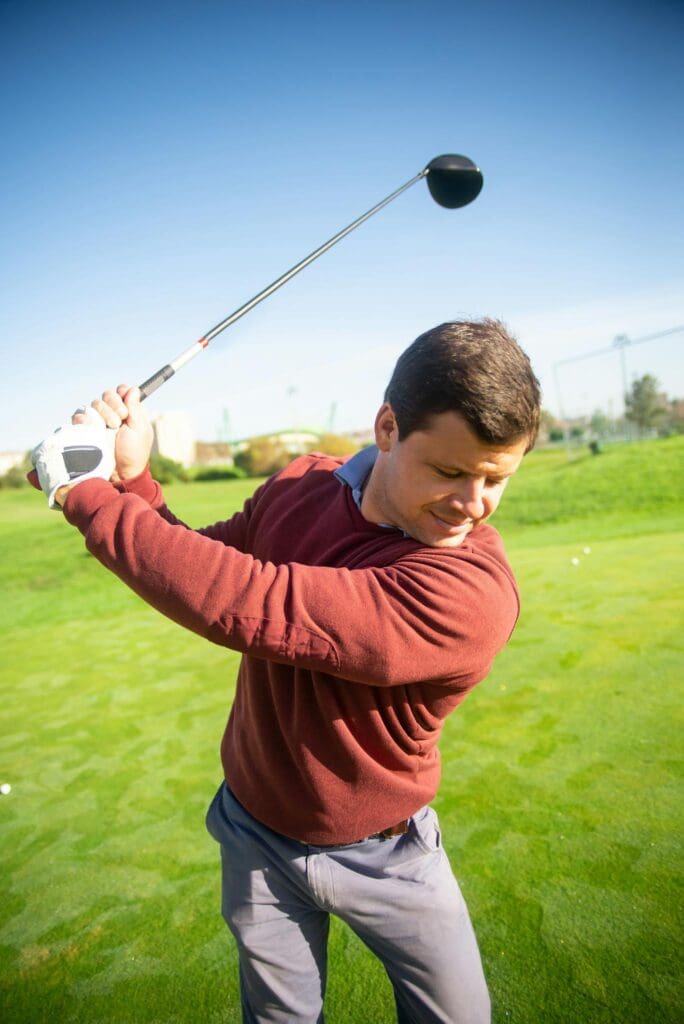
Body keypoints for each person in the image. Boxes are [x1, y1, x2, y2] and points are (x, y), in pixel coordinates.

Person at [32, 319, 541, 1024]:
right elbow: (205, 562)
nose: (472, 502)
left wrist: (83, 494)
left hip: (389, 856)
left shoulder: (469, 593)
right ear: (387, 428)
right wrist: (130, 478)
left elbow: (254, 604)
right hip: (257, 830)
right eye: (451, 471)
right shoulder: (306, 483)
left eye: (496, 478)